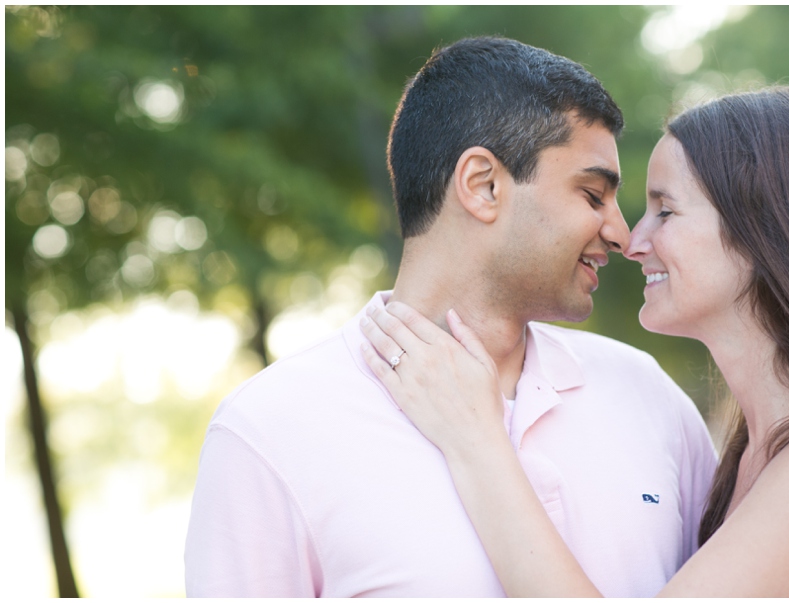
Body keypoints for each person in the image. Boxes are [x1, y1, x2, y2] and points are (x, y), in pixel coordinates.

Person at [184, 37, 718, 597]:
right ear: (483, 186)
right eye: (592, 195)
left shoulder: (648, 396)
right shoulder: (269, 430)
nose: (622, 233)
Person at [361, 85, 789, 597]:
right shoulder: (748, 458)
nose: (631, 241)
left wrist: (476, 441)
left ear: (767, 233)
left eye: (665, 210)